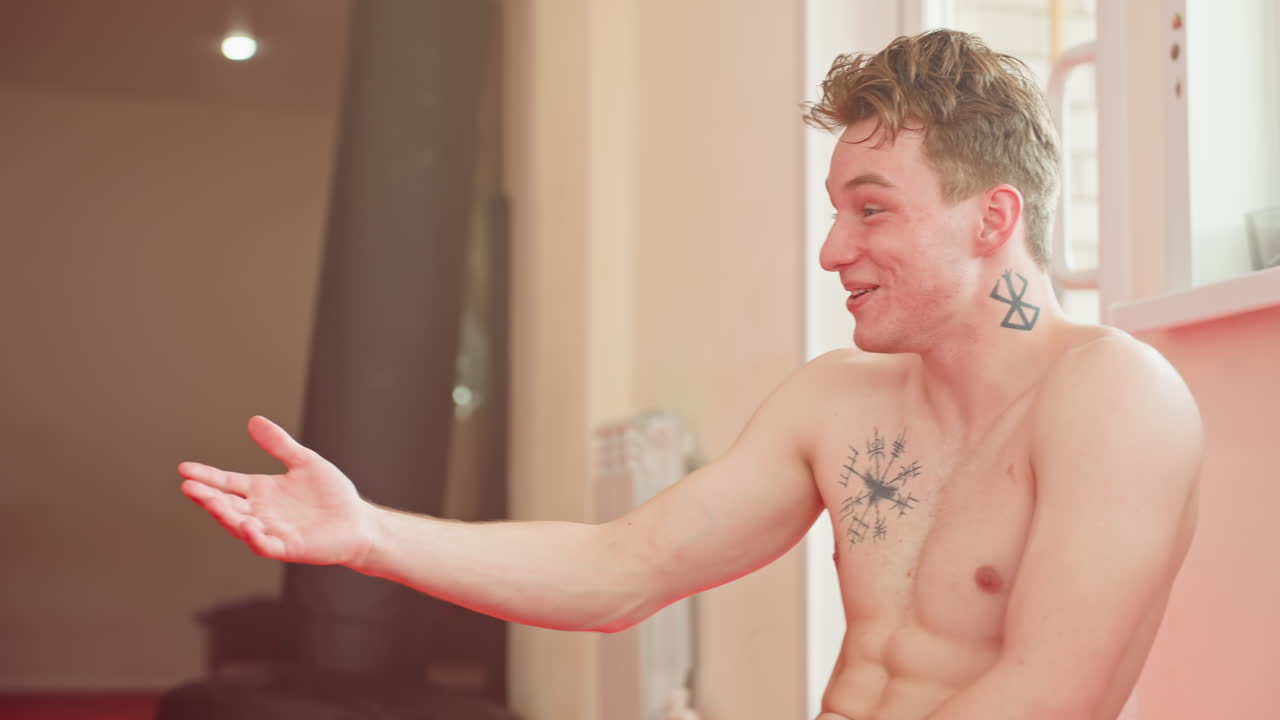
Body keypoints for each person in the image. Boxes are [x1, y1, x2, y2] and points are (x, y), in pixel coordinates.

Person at [179, 30, 1202, 720]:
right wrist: (367, 537)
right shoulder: (835, 402)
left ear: (991, 217)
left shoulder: (1113, 400)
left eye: (871, 208)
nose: (831, 249)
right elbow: (625, 567)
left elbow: (1048, 695)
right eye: (833, 210)